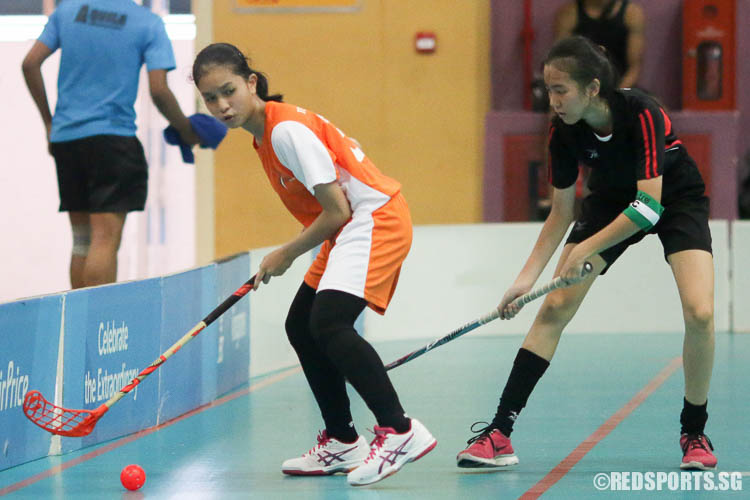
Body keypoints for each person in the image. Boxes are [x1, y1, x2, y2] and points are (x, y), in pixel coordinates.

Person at [456, 36, 716, 471]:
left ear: (593, 88)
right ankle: (499, 432)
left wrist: (588, 250)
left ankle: (694, 432)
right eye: (548, 90)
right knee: (554, 306)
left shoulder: (643, 113)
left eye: (560, 90)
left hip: (674, 200)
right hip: (611, 202)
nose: (552, 100)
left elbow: (648, 208)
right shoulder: (563, 131)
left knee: (700, 312)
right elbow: (561, 213)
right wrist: (526, 280)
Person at [191, 43, 437, 487]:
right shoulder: (263, 134)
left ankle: (400, 430)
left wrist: (285, 252)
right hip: (350, 227)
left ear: (251, 82)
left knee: (330, 323)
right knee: (302, 325)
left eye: (228, 90)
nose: (222, 105)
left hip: (373, 219)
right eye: (210, 98)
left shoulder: (285, 132)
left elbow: (338, 209)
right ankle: (343, 441)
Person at [22, 0, 199, 289]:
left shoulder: (67, 11)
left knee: (82, 240)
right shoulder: (147, 23)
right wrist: (186, 129)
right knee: (104, 239)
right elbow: (159, 91)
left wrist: (48, 122)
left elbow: (30, 63)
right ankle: (98, 323)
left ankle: (79, 327)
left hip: (68, 140)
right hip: (113, 141)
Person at [555, 0, 645, 88]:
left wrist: (617, 94)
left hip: (620, 86)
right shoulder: (569, 13)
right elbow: (560, 61)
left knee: (652, 101)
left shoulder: (632, 14)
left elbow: (634, 68)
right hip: (580, 88)